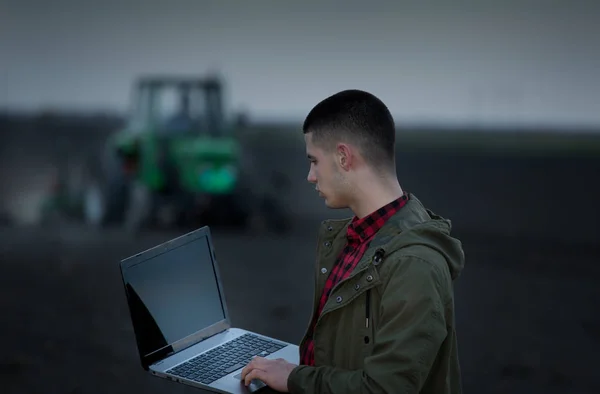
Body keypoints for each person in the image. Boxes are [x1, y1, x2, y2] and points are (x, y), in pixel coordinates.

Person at [241, 89, 465, 393]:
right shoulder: (354, 239)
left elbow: (383, 389)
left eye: (314, 161)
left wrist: (294, 379)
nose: (310, 176)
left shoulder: (415, 265)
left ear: (344, 157)